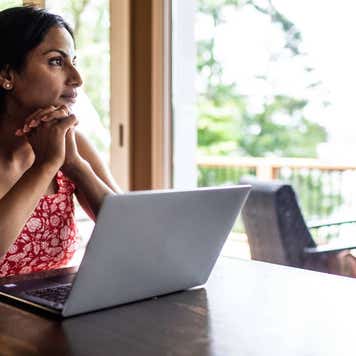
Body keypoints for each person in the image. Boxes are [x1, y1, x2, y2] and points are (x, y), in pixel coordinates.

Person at [0, 6, 120, 277]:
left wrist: (75, 164)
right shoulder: (51, 156)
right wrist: (45, 166)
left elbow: (130, 232)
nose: (77, 79)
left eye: (73, 62)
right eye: (56, 61)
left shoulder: (72, 143)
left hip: (58, 313)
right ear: (7, 75)